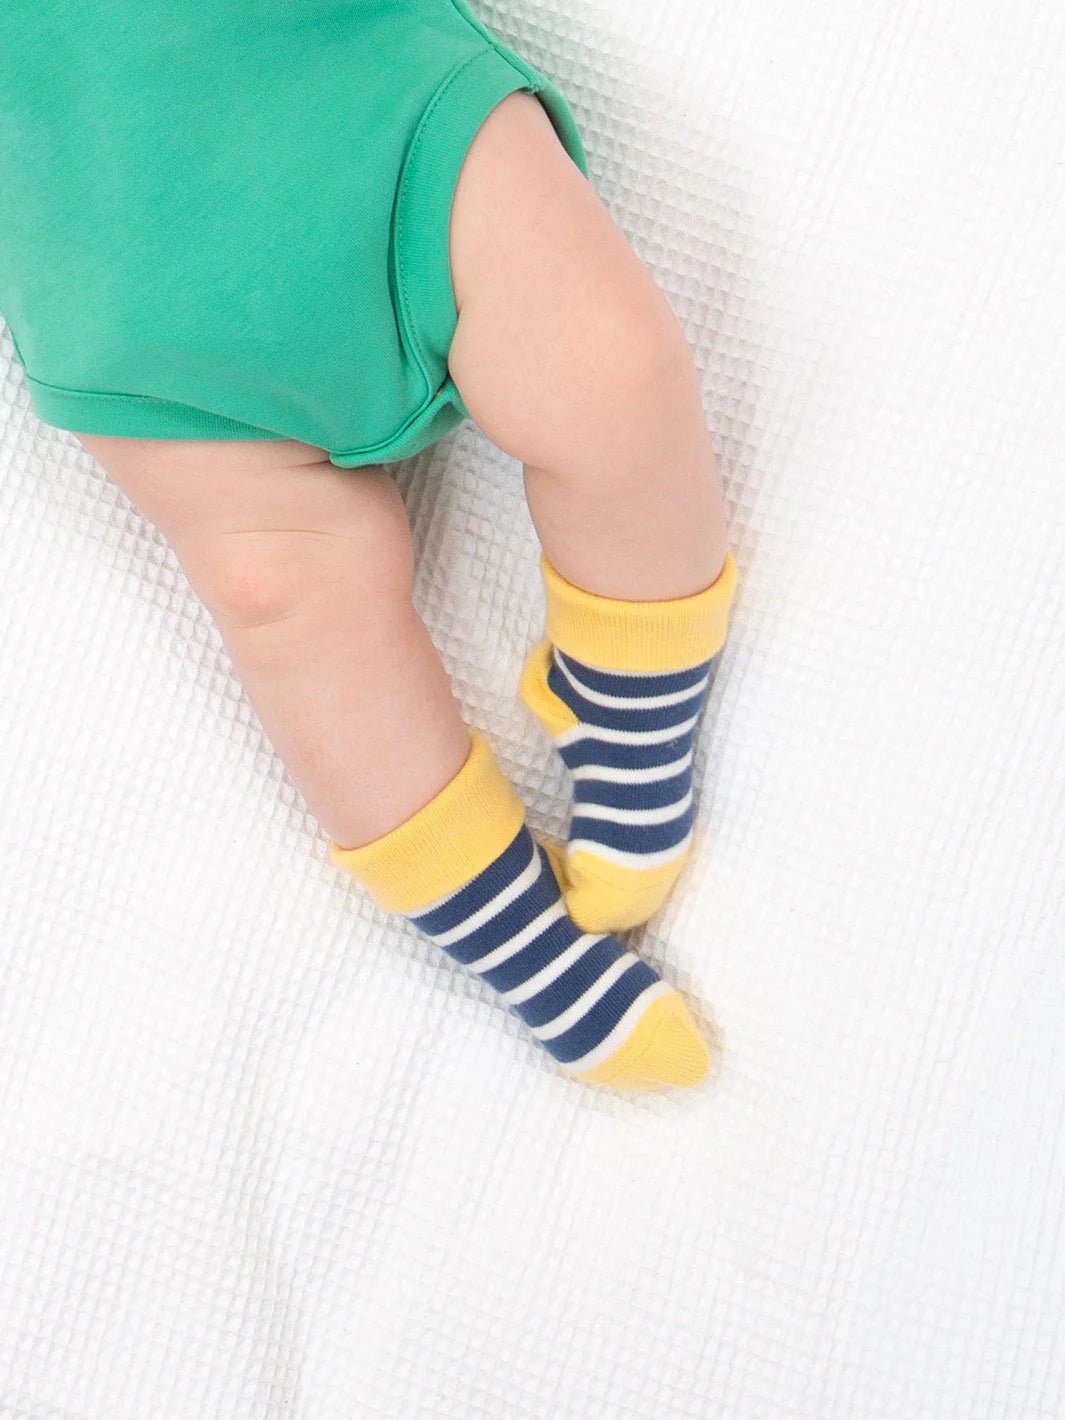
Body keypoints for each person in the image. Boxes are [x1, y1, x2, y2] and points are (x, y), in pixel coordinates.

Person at [0, 0, 736, 1089]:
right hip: (122, 291)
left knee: (609, 368)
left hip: (363, 100)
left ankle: (633, 705)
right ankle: (516, 938)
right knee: (273, 591)